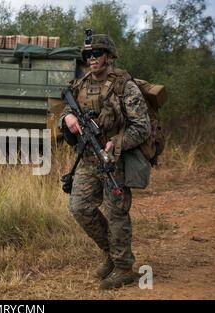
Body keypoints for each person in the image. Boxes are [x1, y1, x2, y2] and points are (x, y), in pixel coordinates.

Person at [59, 32, 151, 289]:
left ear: (109, 56)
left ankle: (123, 268)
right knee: (79, 207)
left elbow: (141, 127)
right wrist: (67, 119)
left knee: (116, 213)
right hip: (87, 161)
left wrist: (116, 143)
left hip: (114, 161)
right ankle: (109, 253)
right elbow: (66, 110)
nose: (92, 59)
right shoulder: (80, 85)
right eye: (88, 55)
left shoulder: (125, 86)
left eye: (97, 54)